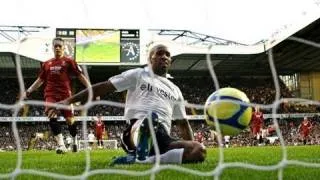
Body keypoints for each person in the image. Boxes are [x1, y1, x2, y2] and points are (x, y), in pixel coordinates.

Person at [53, 44, 206, 164]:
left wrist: (190, 143)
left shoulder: (175, 90)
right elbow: (103, 86)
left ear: (170, 61)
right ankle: (143, 147)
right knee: (150, 120)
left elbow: (183, 124)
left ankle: (144, 160)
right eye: (159, 53)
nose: (164, 57)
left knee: (199, 151)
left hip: (162, 138)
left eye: (167, 54)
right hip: (136, 129)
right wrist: (68, 100)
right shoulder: (138, 74)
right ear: (150, 58)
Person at [24, 37, 91, 154]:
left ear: (64, 48)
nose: (58, 48)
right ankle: (62, 146)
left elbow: (80, 75)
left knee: (70, 121)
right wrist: (28, 91)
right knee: (52, 116)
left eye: (60, 46)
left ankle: (75, 140)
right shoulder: (46, 64)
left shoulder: (69, 61)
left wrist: (90, 88)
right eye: (56, 46)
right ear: (52, 48)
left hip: (66, 95)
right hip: (50, 95)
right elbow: (40, 80)